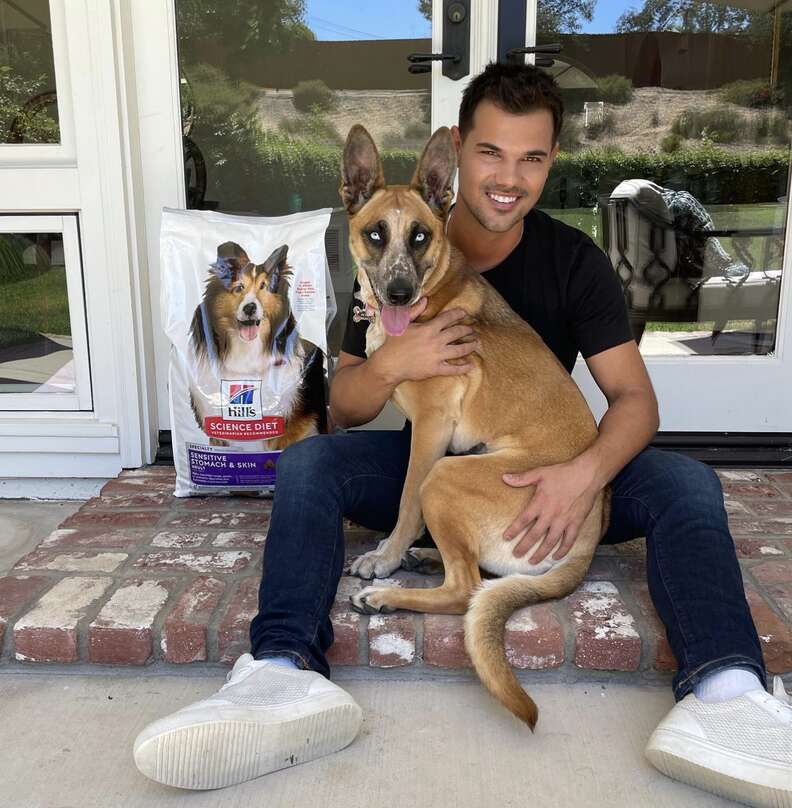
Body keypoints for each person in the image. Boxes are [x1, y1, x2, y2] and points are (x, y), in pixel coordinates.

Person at [134, 63, 789, 804]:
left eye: (531, 158)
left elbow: (635, 402)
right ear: (457, 156)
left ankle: (728, 693)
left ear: (547, 166)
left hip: (551, 474)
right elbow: (346, 406)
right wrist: (394, 358)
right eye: (492, 153)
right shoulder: (390, 263)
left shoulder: (575, 262)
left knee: (687, 483)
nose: (509, 177)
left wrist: (580, 477)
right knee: (311, 462)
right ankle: (281, 674)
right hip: (467, 476)